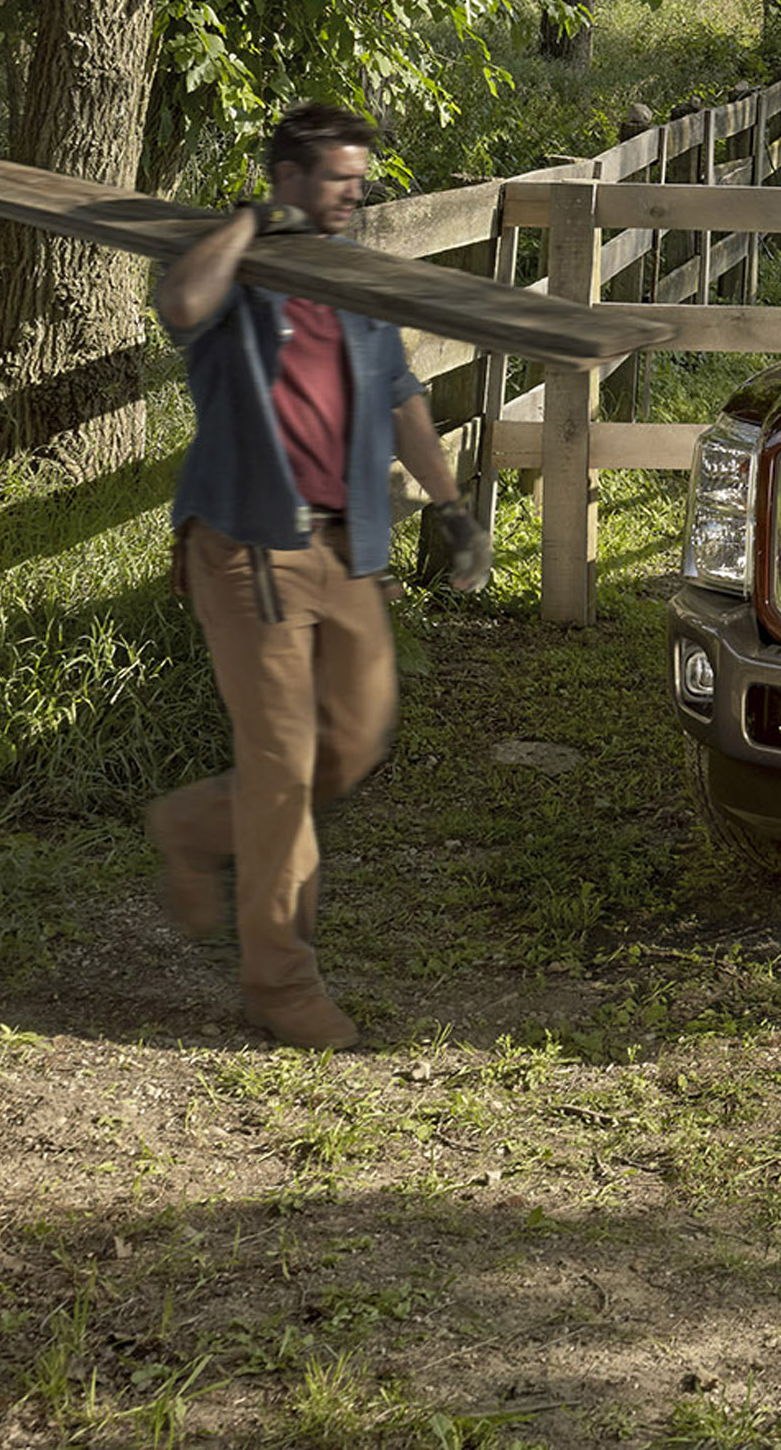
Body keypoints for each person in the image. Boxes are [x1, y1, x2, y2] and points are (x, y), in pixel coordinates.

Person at [143, 102, 489, 1049]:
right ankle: (281, 988)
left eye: (358, 176)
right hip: (250, 547)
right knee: (283, 770)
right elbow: (179, 306)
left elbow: (403, 398)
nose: (355, 192)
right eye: (337, 177)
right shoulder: (240, 278)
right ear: (289, 176)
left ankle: (190, 826)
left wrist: (451, 506)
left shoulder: (350, 281)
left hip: (349, 550)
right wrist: (252, 223)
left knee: (355, 743)